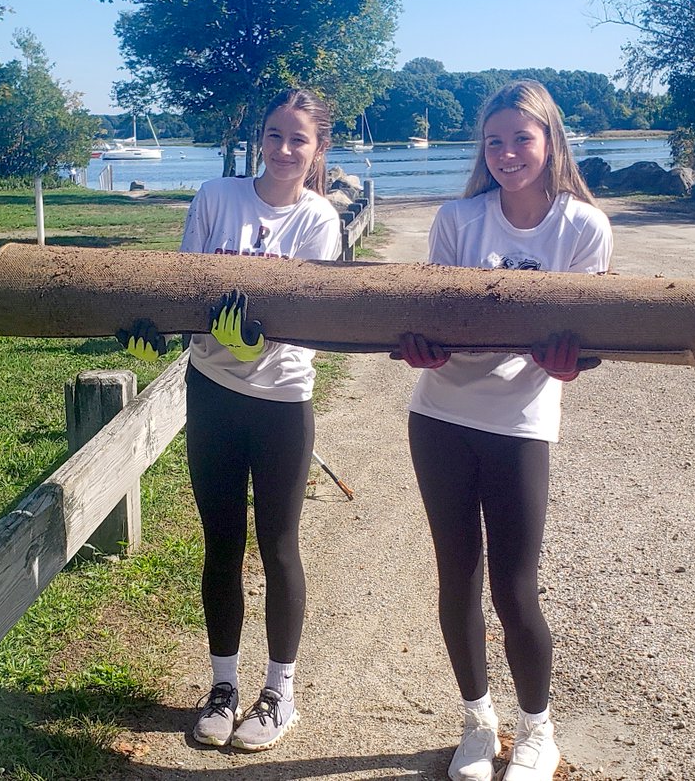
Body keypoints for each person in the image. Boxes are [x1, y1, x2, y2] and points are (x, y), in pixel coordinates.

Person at [393, 79, 613, 781]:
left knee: (515, 587)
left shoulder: (583, 227)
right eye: (494, 141)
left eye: (522, 138)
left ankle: (537, 731)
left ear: (550, 141)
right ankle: (477, 722)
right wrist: (419, 345)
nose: (508, 153)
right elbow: (436, 315)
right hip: (440, 416)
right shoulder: (460, 219)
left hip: (521, 422)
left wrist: (571, 363)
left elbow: (588, 338)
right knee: (455, 575)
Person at [118, 89, 340, 752]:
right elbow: (187, 287)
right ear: (260, 140)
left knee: (277, 547)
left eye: (298, 139)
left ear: (317, 149)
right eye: (273, 135)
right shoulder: (217, 198)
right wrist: (155, 329)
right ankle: (222, 686)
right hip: (213, 390)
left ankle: (280, 693)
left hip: (281, 400)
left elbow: (314, 316)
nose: (283, 149)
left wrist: (261, 343)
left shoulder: (320, 219)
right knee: (221, 544)